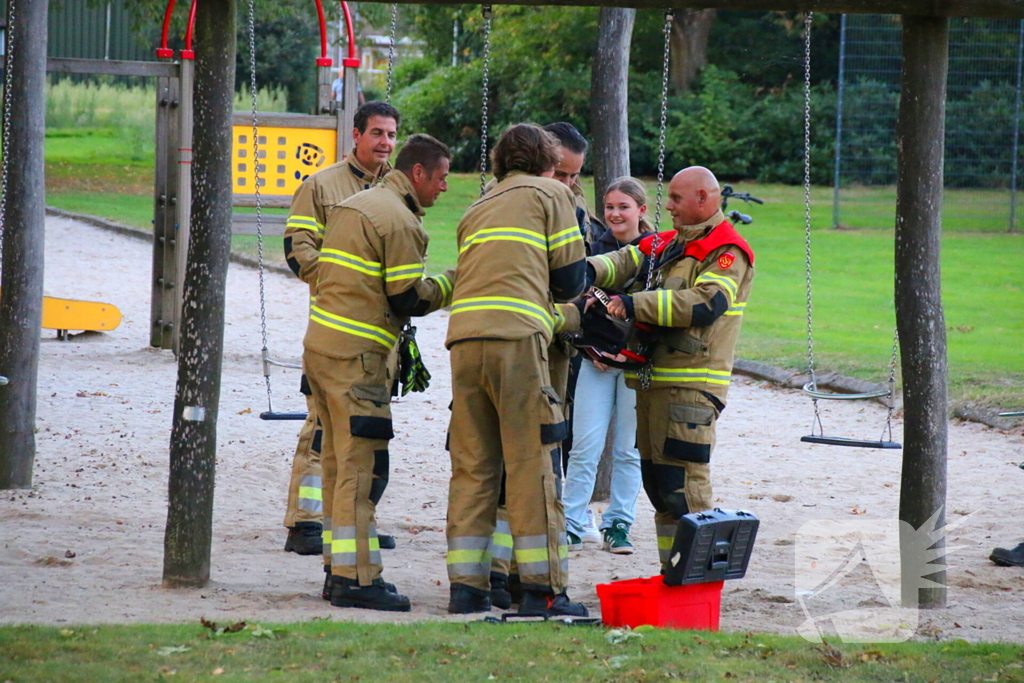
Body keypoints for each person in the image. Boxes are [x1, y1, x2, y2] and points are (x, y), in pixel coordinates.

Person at [302, 133, 454, 612]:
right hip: (358, 360)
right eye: (442, 178)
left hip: (321, 350)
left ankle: (337, 567)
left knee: (334, 466)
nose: (445, 188)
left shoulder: (355, 203)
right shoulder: (400, 219)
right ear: (418, 174)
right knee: (360, 470)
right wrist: (453, 282)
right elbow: (407, 297)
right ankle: (357, 579)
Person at [444, 123, 588, 616]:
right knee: (532, 465)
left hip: (463, 341)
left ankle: (466, 588)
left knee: (474, 466)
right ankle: (543, 591)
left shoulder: (475, 207)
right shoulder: (554, 193)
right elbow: (570, 280)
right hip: (517, 338)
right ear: (549, 163)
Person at [591, 166, 755, 572]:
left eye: (677, 200)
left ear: (705, 198)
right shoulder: (666, 243)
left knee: (685, 492)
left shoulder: (726, 250)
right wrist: (581, 271)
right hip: (656, 386)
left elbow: (704, 304)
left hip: (691, 389)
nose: (669, 207)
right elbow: (621, 261)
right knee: (661, 490)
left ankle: (699, 585)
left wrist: (633, 304)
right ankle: (676, 576)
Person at [281, 102, 400, 559]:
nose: (384, 143)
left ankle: (354, 520)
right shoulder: (322, 185)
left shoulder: (394, 188)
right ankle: (305, 522)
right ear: (356, 135)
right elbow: (297, 247)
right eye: (376, 133)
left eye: (390, 134)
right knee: (321, 426)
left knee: (366, 428)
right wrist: (340, 286)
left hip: (380, 334)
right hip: (335, 330)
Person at [563, 177, 653, 556]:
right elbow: (575, 308)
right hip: (595, 361)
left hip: (635, 364)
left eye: (624, 207)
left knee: (628, 450)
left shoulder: (656, 252)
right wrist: (588, 347)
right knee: (584, 444)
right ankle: (572, 521)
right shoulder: (592, 251)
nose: (615, 214)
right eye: (610, 207)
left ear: (641, 211)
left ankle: (619, 523)